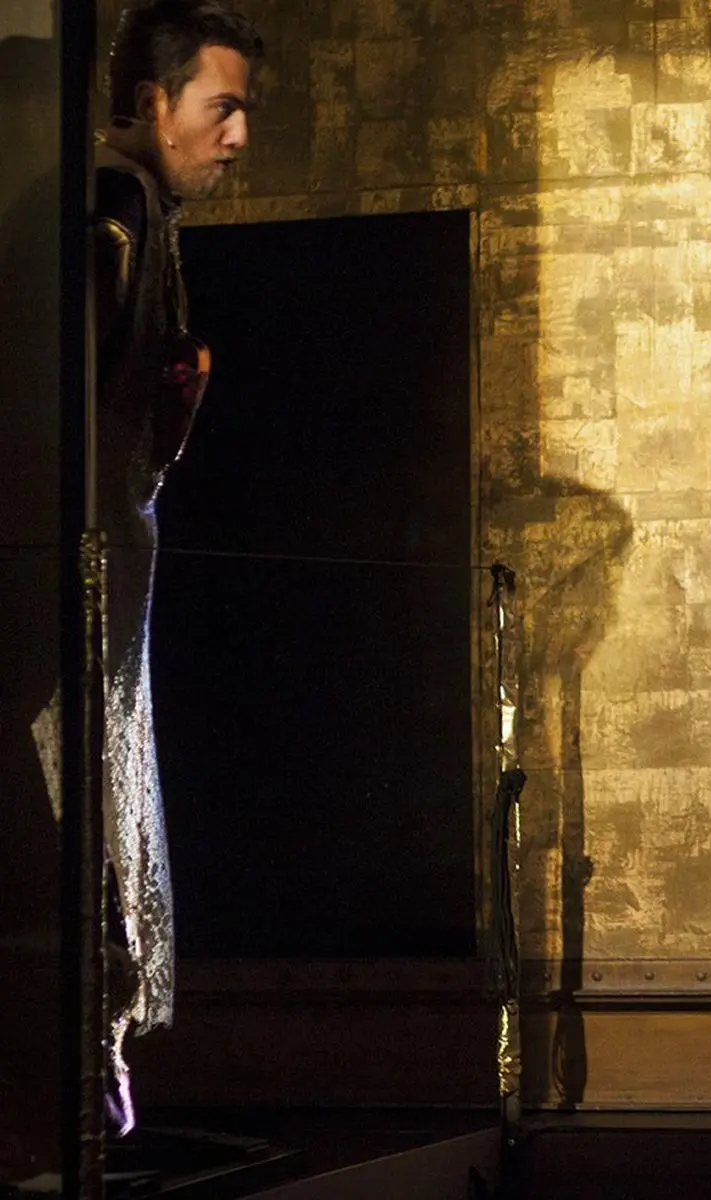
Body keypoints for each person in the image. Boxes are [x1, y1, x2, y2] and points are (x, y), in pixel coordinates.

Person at [43, 0, 261, 1138]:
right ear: (151, 103)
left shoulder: (142, 218)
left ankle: (88, 1069)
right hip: (69, 568)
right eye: (221, 108)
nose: (238, 135)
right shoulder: (113, 209)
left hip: (114, 557)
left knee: (105, 787)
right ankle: (70, 1081)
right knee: (77, 797)